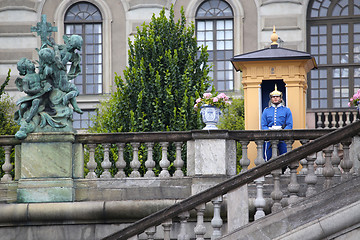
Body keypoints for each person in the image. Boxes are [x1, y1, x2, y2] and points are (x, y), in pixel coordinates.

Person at [261, 84, 293, 161]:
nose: (275, 98)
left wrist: (282, 132)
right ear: (271, 99)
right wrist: (269, 131)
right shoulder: (266, 111)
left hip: (283, 137)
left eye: (277, 96)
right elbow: (263, 125)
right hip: (269, 137)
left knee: (285, 156)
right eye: (273, 97)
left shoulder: (286, 110)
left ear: (281, 98)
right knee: (267, 157)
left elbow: (289, 124)